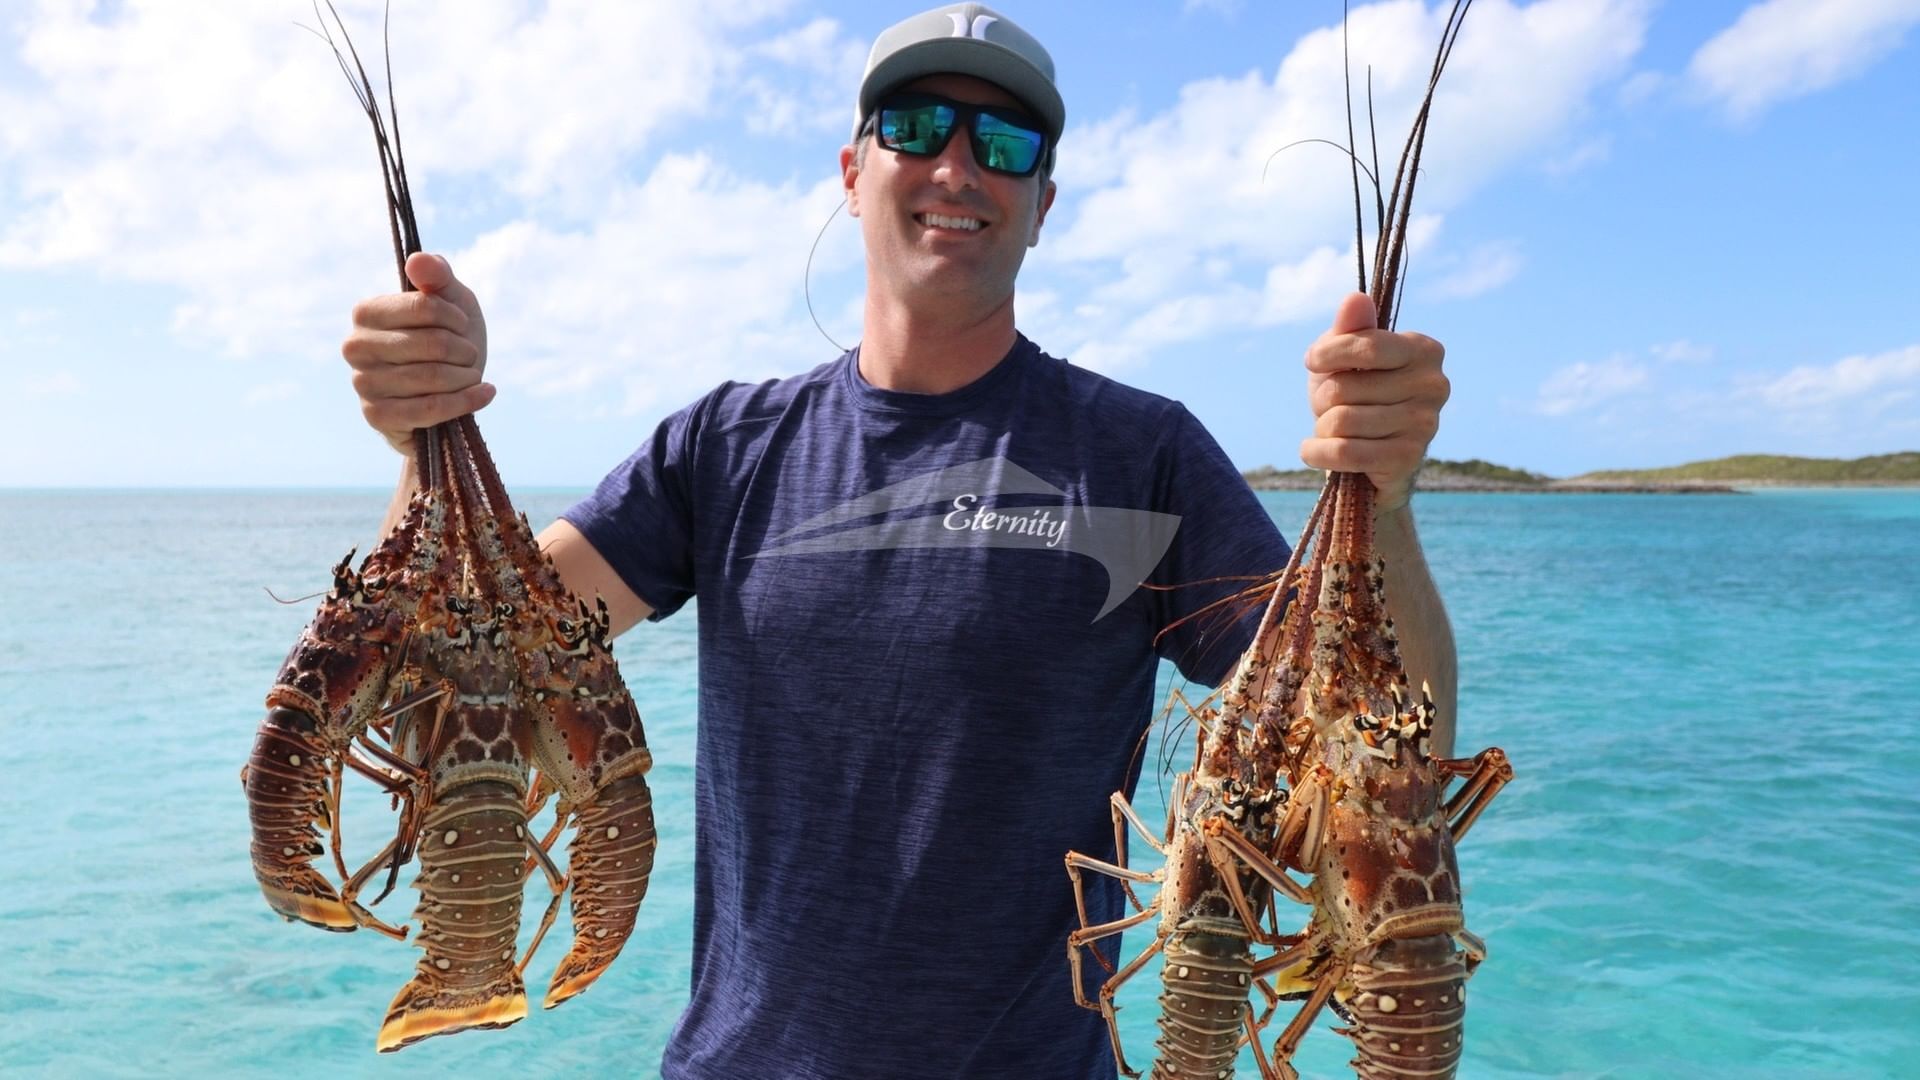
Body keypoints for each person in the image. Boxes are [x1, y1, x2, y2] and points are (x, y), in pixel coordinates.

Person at [341, 5, 1454, 1077]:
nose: (958, 166)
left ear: (1044, 200)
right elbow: (449, 690)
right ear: (852, 168)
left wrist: (1387, 499)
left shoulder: (1142, 456)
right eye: (916, 126)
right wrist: (426, 443)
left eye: (1005, 142)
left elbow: (1379, 768)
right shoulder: (722, 452)